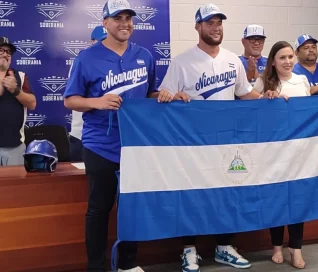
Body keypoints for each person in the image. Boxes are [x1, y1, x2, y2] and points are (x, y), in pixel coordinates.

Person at [151, 3, 268, 272]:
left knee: (228, 194)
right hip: (193, 143)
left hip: (226, 141)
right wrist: (170, 96)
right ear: (197, 27)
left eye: (219, 23)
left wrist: (270, 100)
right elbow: (163, 94)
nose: (216, 28)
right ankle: (189, 250)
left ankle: (224, 247)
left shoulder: (233, 60)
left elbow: (245, 93)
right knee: (192, 195)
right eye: (210, 23)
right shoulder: (182, 61)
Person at [63, 0, 156, 271]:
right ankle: (96, 265)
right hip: (100, 145)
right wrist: (97, 102)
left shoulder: (145, 55)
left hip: (134, 145)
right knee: (99, 209)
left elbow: (149, 93)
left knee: (131, 208)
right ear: (105, 23)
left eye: (129, 18)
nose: (125, 23)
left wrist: (162, 95)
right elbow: (70, 100)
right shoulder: (87, 58)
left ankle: (127, 264)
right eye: (118, 18)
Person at [253, 41, 318, 269]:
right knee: (276, 198)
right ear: (273, 61)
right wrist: (266, 99)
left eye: (290, 56)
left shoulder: (301, 80)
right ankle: (276, 247)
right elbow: (250, 111)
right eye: (282, 57)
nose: (288, 61)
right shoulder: (263, 82)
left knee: (297, 199)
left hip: (298, 154)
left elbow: (309, 113)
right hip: (271, 152)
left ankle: (296, 248)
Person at [69, 25, 107, 162]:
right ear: (92, 42)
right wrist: (99, 102)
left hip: (110, 139)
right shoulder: (83, 61)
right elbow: (70, 100)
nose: (104, 46)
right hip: (83, 136)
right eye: (100, 41)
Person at [0, 36, 36, 166]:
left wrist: (15, 90)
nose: (5, 55)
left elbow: (32, 103)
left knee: (16, 185)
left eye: (8, 52)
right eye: (1, 51)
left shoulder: (20, 76)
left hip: (15, 146)